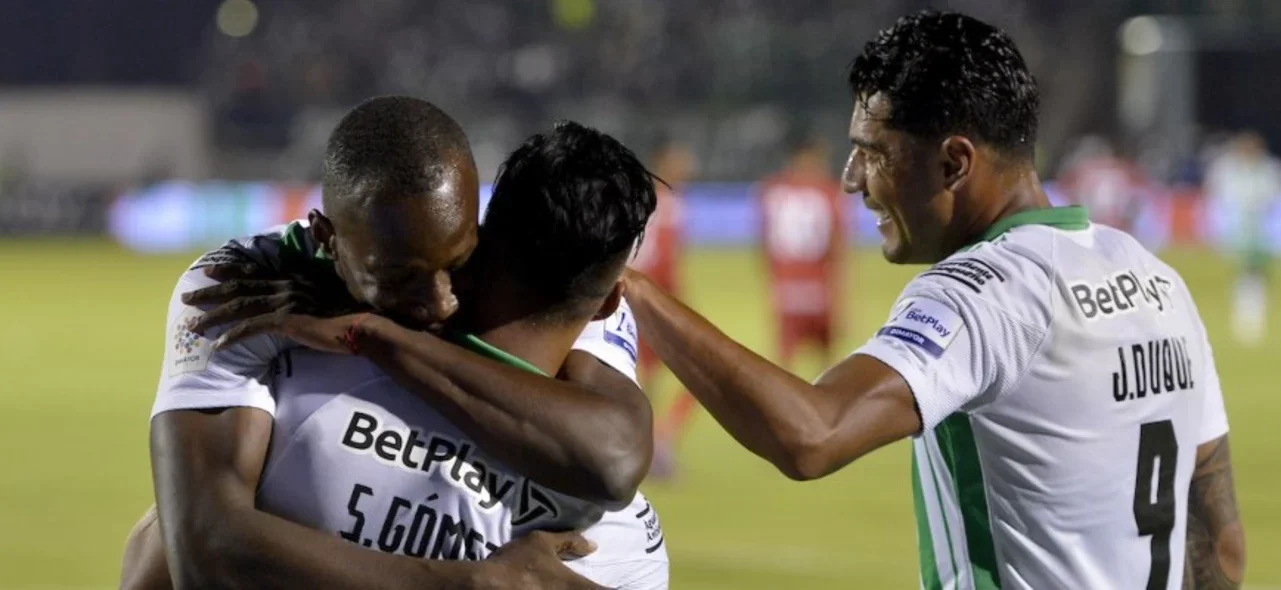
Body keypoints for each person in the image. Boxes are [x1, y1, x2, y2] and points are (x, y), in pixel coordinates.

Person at [621, 11, 1244, 589]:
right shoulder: (1156, 279)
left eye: (874, 152)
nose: (852, 179)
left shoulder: (982, 290)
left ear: (954, 163)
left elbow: (812, 433)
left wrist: (631, 286)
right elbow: (1222, 551)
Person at [123, 98, 664, 589]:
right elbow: (204, 552)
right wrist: (468, 583)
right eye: (400, 278)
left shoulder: (542, 281)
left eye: (460, 264)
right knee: (158, 541)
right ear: (329, 241)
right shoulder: (244, 286)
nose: (442, 303)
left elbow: (613, 458)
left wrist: (373, 332)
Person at [631, 139, 694, 478]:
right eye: (680, 159)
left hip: (627, 298)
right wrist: (679, 305)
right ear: (663, 161)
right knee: (696, 375)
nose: (687, 166)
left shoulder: (635, 199)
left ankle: (645, 447)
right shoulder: (670, 204)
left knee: (643, 379)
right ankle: (660, 444)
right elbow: (667, 262)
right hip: (655, 301)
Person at [758, 135, 847, 369]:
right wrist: (841, 297)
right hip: (818, 290)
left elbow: (764, 244)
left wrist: (771, 284)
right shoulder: (828, 191)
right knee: (828, 366)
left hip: (786, 290)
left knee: (784, 364)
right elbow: (837, 248)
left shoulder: (771, 190)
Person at [1204, 131, 1280, 346]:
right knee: (1244, 272)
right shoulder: (1229, 170)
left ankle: (1253, 316)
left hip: (1260, 230)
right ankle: (1245, 316)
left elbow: (1273, 200)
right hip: (1239, 230)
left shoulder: (1268, 170)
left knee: (1256, 272)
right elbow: (1219, 199)